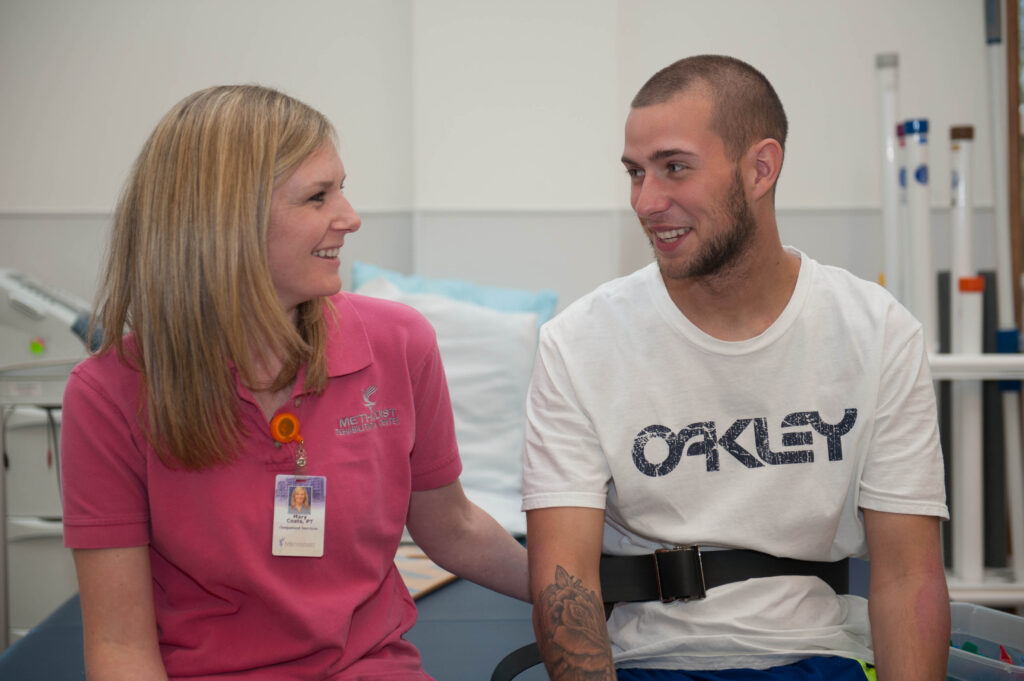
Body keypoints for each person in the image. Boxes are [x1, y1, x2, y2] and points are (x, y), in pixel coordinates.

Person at [60, 84, 528, 681]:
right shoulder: (109, 394)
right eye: (317, 196)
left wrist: (586, 596)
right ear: (225, 222)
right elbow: (120, 651)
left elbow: (454, 527)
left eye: (342, 188)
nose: (350, 218)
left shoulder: (398, 343)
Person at [522, 55, 949, 681]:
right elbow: (566, 586)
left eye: (674, 168)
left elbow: (908, 575)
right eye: (634, 173)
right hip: (650, 663)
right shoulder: (580, 344)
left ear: (760, 168)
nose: (646, 201)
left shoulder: (876, 332)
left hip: (819, 658)